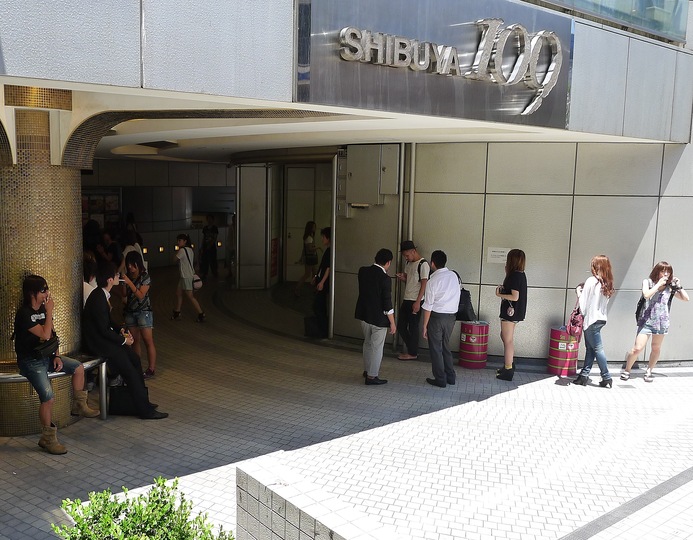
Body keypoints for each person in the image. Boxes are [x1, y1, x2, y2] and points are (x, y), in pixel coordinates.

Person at [14, 275, 99, 455]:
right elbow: (44, 334)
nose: (47, 293)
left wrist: (57, 356)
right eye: (43, 290)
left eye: (47, 289)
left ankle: (79, 405)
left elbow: (52, 335)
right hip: (30, 360)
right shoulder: (25, 314)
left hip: (46, 356)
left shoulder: (44, 310)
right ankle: (48, 438)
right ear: (32, 293)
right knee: (48, 397)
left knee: (78, 368)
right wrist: (50, 310)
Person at [82, 262, 167, 420]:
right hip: (99, 345)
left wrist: (120, 329)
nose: (118, 277)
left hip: (104, 341)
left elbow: (106, 324)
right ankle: (144, 410)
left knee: (134, 359)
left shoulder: (101, 295)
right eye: (115, 275)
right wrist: (123, 340)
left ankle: (143, 401)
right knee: (129, 371)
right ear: (109, 280)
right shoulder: (98, 298)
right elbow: (102, 330)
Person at [621, 261, 688, 383]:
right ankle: (627, 370)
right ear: (657, 271)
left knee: (656, 348)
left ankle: (649, 371)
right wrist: (659, 284)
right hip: (646, 321)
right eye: (663, 271)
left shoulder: (670, 288)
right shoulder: (648, 282)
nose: (666, 274)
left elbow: (686, 299)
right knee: (637, 348)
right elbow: (646, 294)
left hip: (661, 322)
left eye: (668, 271)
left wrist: (679, 287)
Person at [355, 248, 397, 385]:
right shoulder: (385, 279)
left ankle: (367, 370)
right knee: (377, 347)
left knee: (367, 343)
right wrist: (392, 322)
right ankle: (372, 377)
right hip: (379, 319)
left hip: (365, 315)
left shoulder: (362, 271)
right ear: (388, 262)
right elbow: (387, 303)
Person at [573, 255, 614, 387]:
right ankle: (584, 376)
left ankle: (606, 376)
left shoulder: (592, 281)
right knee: (591, 349)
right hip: (601, 318)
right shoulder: (607, 282)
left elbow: (583, 305)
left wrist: (579, 292)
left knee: (597, 349)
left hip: (591, 319)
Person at [421, 250, 460, 388]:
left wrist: (425, 326)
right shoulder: (454, 276)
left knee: (436, 348)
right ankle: (451, 376)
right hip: (451, 318)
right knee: (445, 346)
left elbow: (428, 306)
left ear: (432, 263)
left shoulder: (432, 281)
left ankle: (440, 378)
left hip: (437, 318)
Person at [122, 251, 157, 379]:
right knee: (135, 341)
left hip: (144, 312)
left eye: (132, 264)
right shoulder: (127, 276)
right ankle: (137, 367)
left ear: (138, 264)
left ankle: (151, 369)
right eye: (128, 265)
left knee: (148, 341)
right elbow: (124, 296)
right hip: (130, 312)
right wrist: (124, 284)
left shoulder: (145, 277)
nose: (130, 267)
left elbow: (141, 296)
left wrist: (129, 283)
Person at [495, 249, 528, 382]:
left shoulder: (515, 275)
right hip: (514, 311)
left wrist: (499, 294)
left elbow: (514, 296)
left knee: (507, 340)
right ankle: (508, 364)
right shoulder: (520, 274)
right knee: (505, 337)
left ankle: (508, 369)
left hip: (511, 311)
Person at [395, 240, 430, 360]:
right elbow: (410, 279)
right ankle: (412, 350)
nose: (406, 257)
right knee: (401, 326)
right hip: (407, 298)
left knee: (413, 327)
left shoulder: (423, 264)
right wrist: (403, 277)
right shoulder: (408, 263)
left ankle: (413, 353)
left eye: (407, 255)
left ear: (413, 251)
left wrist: (418, 302)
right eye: (404, 255)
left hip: (416, 300)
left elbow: (424, 284)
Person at [172, 233, 206, 322]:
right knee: (178, 293)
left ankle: (201, 314)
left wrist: (177, 251)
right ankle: (177, 311)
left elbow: (174, 259)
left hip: (186, 276)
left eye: (180, 240)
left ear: (185, 241)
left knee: (190, 296)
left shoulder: (182, 250)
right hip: (185, 276)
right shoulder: (190, 250)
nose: (178, 242)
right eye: (178, 240)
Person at [312, 227, 331, 338]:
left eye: (323, 237)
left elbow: (328, 268)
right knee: (319, 306)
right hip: (321, 281)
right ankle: (322, 330)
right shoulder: (327, 250)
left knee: (319, 306)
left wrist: (322, 282)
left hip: (323, 283)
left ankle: (323, 330)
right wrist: (316, 276)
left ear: (328, 238)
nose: (322, 239)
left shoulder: (329, 251)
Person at [294, 221, 319, 297]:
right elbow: (310, 249)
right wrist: (317, 248)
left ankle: (315, 289)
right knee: (307, 274)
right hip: (310, 258)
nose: (315, 228)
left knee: (314, 273)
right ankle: (297, 289)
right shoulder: (309, 238)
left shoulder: (308, 237)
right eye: (314, 227)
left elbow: (305, 249)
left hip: (310, 258)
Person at [199, 214, 219, 280]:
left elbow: (215, 238)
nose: (209, 220)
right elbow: (203, 238)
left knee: (213, 260)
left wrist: (210, 245)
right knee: (205, 260)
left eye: (210, 219)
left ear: (213, 220)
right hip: (205, 246)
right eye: (208, 219)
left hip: (212, 246)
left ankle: (214, 272)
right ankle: (205, 273)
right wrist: (202, 247)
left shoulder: (215, 228)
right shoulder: (205, 228)